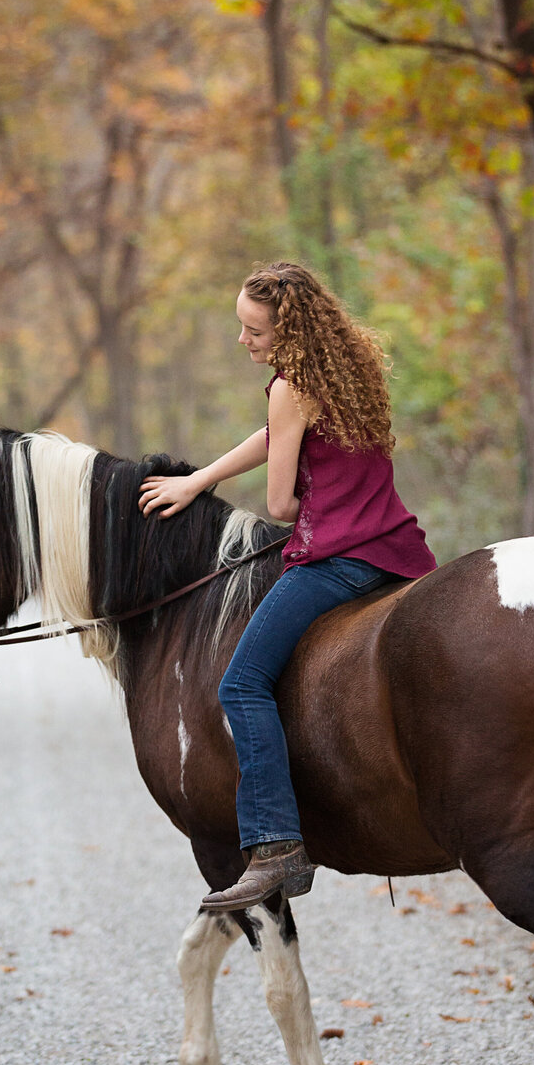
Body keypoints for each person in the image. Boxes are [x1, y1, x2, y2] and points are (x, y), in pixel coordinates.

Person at [138, 261, 436, 911]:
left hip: (337, 558)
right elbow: (280, 433)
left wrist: (298, 489)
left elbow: (278, 504)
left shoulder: (288, 386)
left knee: (241, 684)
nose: (242, 341)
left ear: (289, 333)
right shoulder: (347, 365)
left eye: (253, 331)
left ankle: (275, 843)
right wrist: (199, 481)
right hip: (396, 550)